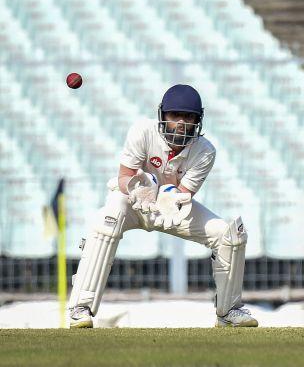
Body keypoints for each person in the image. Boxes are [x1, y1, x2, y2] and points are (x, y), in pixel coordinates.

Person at [68, 84, 258, 328]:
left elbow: (184, 193)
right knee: (108, 218)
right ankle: (80, 308)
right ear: (163, 116)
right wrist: (138, 189)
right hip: (133, 202)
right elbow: (124, 176)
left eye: (188, 117)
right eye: (175, 116)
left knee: (229, 235)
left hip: (172, 208)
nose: (181, 123)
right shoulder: (142, 131)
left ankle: (228, 311)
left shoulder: (205, 151)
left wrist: (168, 199)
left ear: (198, 120)